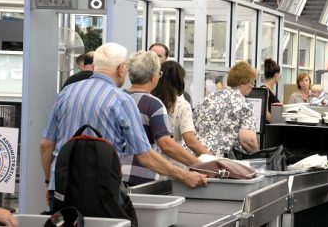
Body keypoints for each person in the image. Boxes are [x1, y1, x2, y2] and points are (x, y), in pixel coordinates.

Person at [40, 43, 207, 211]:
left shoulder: (66, 93)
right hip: (100, 190)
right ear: (121, 69)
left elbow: (46, 145)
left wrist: (50, 181)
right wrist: (184, 175)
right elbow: (145, 156)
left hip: (61, 186)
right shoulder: (121, 100)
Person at [120, 51, 204, 185]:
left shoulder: (118, 97)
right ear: (153, 77)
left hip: (114, 174)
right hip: (141, 176)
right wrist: (200, 164)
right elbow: (166, 144)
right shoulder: (153, 104)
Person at [194, 61, 259, 157]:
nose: (252, 87)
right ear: (242, 83)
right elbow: (248, 140)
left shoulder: (208, 98)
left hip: (197, 155)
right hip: (222, 161)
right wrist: (258, 154)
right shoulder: (244, 104)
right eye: (252, 83)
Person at [152, 60, 210, 156]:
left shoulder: (150, 101)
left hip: (151, 161)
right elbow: (190, 140)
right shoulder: (182, 105)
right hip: (173, 161)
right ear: (179, 81)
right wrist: (213, 159)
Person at [261, 58, 281, 123]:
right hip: (268, 129)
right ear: (276, 75)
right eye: (279, 73)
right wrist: (277, 124)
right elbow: (265, 113)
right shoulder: (265, 89)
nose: (280, 76)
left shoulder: (271, 91)